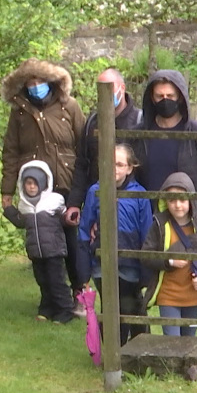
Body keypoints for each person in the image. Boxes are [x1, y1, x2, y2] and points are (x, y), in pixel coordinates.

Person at [0, 58, 86, 315]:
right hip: (35, 189)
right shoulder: (19, 112)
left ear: (51, 81)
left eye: (40, 81)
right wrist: (7, 191)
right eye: (30, 82)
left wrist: (86, 187)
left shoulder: (69, 106)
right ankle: (50, 298)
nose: (35, 86)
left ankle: (79, 292)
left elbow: (83, 146)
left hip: (66, 184)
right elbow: (11, 152)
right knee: (43, 244)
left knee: (72, 242)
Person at [78, 144, 152, 344]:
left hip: (131, 266)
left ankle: (137, 350)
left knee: (131, 306)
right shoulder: (95, 191)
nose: (114, 169)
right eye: (110, 163)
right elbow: (84, 231)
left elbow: (147, 235)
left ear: (130, 168)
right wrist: (84, 271)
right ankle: (114, 352)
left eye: (119, 164)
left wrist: (146, 272)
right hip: (102, 264)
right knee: (109, 308)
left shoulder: (140, 195)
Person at [141, 172, 197, 337]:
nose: (177, 205)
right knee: (172, 343)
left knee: (188, 343)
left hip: (193, 294)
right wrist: (169, 261)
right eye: (172, 200)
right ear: (165, 201)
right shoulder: (159, 224)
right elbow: (146, 256)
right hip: (168, 294)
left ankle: (189, 365)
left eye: (182, 199)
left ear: (191, 200)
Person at [133, 69, 197, 198]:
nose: (165, 100)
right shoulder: (137, 136)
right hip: (145, 215)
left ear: (180, 97)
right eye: (159, 96)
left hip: (188, 216)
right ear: (152, 98)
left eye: (170, 96)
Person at [65, 68, 142, 226]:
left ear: (122, 88)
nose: (105, 93)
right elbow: (82, 164)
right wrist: (74, 203)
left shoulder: (140, 121)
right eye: (101, 87)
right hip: (96, 203)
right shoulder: (92, 122)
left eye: (109, 87)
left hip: (131, 206)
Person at [3, 160, 76, 324]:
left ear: (43, 183)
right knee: (43, 281)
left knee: (56, 281)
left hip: (54, 250)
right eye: (28, 183)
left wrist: (70, 218)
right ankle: (46, 308)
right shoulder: (23, 205)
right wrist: (8, 210)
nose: (31, 187)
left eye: (35, 183)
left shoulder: (54, 200)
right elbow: (21, 222)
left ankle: (65, 310)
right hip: (35, 252)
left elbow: (64, 218)